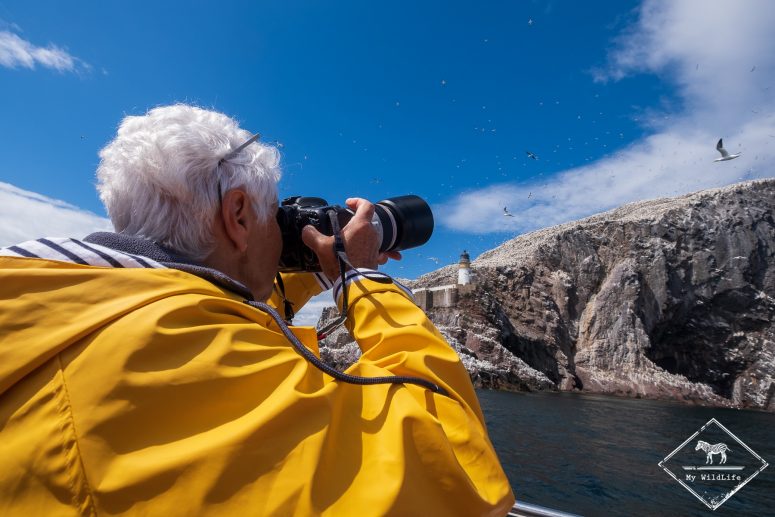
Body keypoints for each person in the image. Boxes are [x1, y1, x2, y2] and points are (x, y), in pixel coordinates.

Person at [0, 105, 515, 515]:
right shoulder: (209, 364)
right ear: (239, 214)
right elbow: (454, 460)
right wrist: (360, 278)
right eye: (273, 216)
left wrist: (314, 265)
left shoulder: (45, 297)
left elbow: (207, 296)